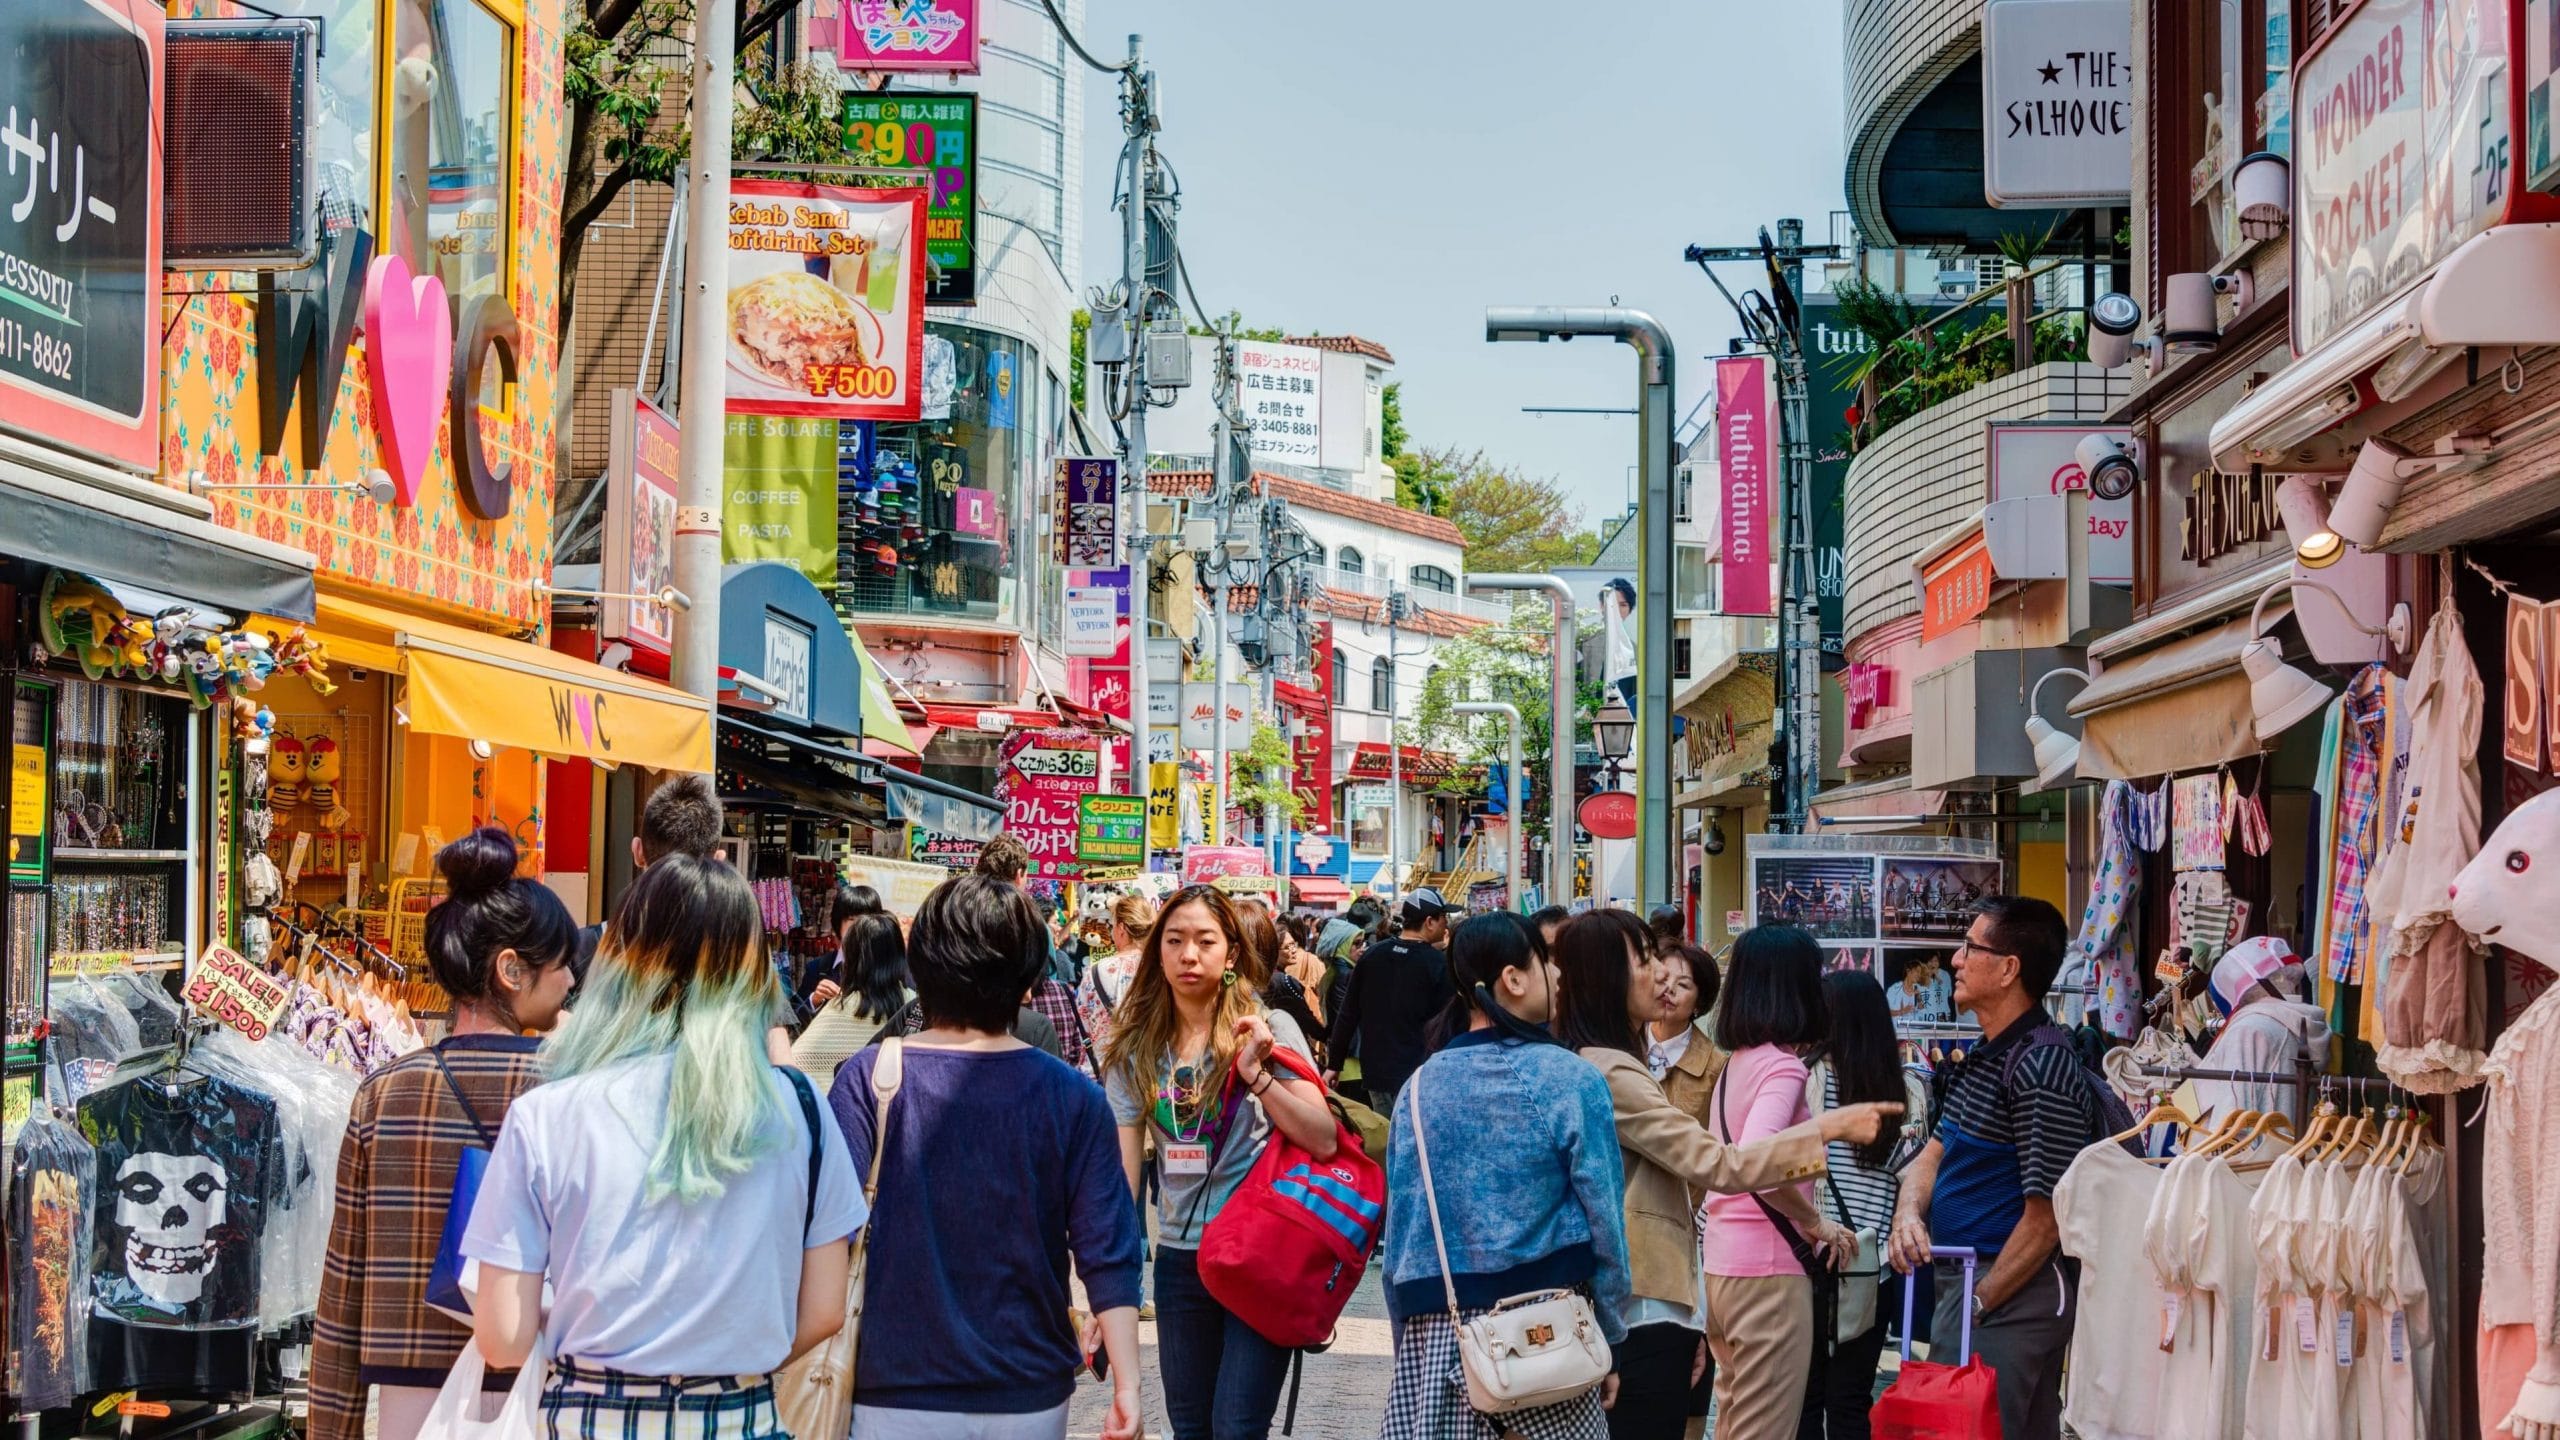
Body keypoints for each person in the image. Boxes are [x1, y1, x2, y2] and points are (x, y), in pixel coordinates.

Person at [465, 854, 867, 1439]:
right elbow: (826, 1307)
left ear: (622, 962)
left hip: (587, 1415)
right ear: (752, 972)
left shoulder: (545, 1115)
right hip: (739, 1416)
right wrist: (727, 1356)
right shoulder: (801, 1110)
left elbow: (502, 1339)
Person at [1553, 910, 1892, 1440]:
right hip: (1686, 1286)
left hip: (1702, 1272)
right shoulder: (1615, 1069)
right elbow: (1729, 1164)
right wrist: (1823, 1136)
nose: (1660, 976)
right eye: (1644, 962)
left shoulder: (1719, 1062)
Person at [827, 876, 1144, 1440]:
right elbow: (1108, 1250)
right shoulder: (1072, 1097)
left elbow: (827, 1238)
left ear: (918, 965)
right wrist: (1127, 1386)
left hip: (892, 1387)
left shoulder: (867, 1079)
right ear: (1027, 978)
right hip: (1027, 1391)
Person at [310, 829, 578, 1440]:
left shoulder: (383, 1095)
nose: (569, 982)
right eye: (560, 964)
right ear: (511, 969)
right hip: (545, 1388)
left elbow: (341, 1296)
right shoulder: (573, 1094)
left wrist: (331, 1428)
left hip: (409, 1402)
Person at [1099, 885, 1342, 1440]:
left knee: (1237, 1426)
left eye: (1205, 941)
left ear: (1231, 953)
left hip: (1261, 1257)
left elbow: (1324, 1138)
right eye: (1175, 940)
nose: (1189, 955)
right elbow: (1121, 1181)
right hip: (1183, 1261)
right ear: (1157, 950)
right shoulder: (1134, 1047)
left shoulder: (1269, 1029)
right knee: (1189, 1427)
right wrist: (1108, 1288)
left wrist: (1257, 1075)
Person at [1379, 914, 1629, 1440]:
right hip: (1550, 1332)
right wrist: (1609, 1335)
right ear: (1513, 979)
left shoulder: (1419, 1089)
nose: (1558, 976)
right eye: (1546, 961)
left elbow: (1401, 1234)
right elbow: (1605, 1222)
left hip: (1441, 1330)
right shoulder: (1569, 1078)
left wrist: (1412, 1346)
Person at [1887, 896, 2103, 1440]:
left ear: (2009, 969)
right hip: (1971, 1285)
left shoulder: (2042, 1065)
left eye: (1970, 948)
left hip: (2009, 1293)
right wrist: (1908, 1214)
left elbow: (2047, 1215)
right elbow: (1931, 1155)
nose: (1955, 961)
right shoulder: (1988, 1056)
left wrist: (1980, 1302)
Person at [1697, 926, 1848, 1440]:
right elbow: (1758, 1161)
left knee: (1737, 1421)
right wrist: (1815, 1222)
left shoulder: (1738, 1064)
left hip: (1723, 1265)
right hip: (1768, 1273)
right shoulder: (1783, 1068)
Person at [1799, 970, 1932, 1440]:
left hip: (1815, 1254)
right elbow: (1911, 1174)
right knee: (1853, 1398)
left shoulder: (1805, 1079)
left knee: (1809, 1397)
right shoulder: (1906, 1090)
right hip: (1870, 1268)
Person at [1324, 886, 1456, 1112]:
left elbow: (1348, 1013)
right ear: (1430, 922)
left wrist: (1334, 1064)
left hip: (1376, 1072)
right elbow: (1447, 1024)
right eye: (1444, 917)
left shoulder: (1373, 955)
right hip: (1419, 1074)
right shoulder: (1437, 964)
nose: (1447, 923)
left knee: (1386, 1136)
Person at [2192, 935, 2328, 1124]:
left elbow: (2231, 1113)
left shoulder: (2248, 1030)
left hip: (2253, 1149)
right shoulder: (2301, 1021)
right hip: (2288, 1144)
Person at [1075, 894, 1155, 1063]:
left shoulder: (1097, 970)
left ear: (1121, 928)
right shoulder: (1161, 969)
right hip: (1151, 1067)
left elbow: (1083, 1022)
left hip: (1107, 1065)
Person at [1886, 955, 1953, 1026]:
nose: (1919, 975)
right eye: (1917, 971)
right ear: (1908, 971)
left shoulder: (1918, 988)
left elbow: (1921, 1010)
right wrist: (1902, 1011)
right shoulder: (1894, 989)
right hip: (1898, 1032)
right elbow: (1885, 1011)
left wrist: (1919, 1002)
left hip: (1915, 1031)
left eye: (1920, 973)